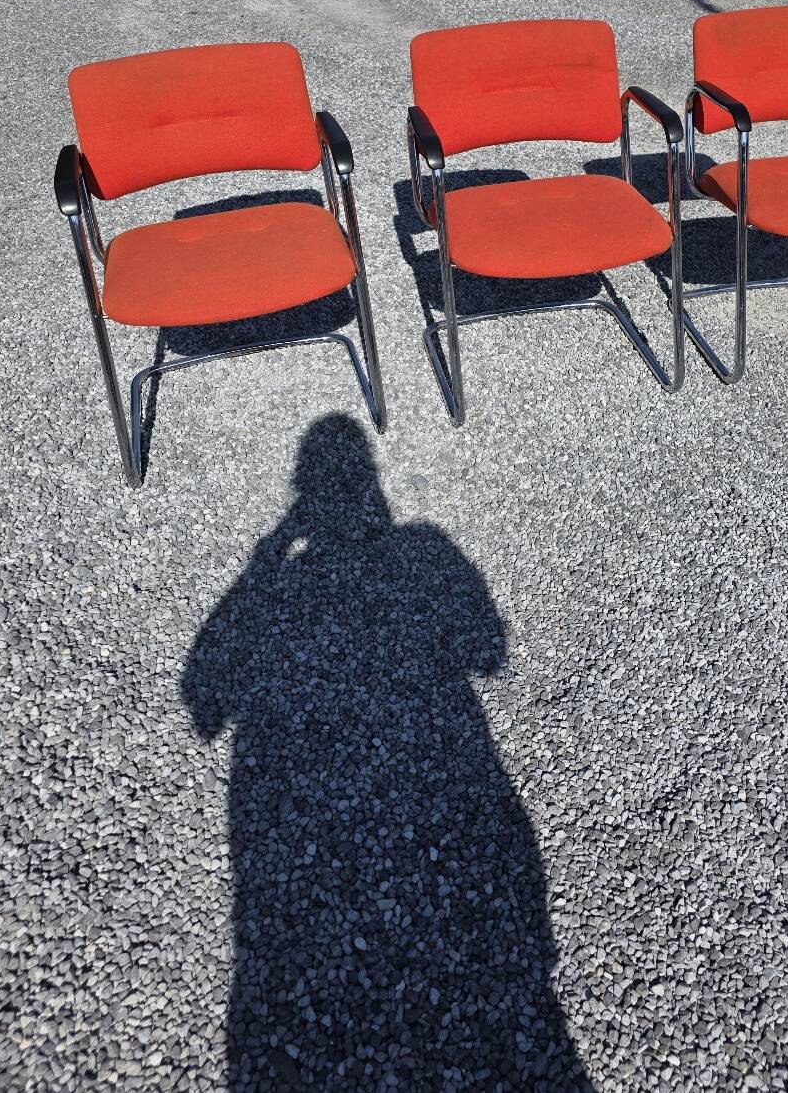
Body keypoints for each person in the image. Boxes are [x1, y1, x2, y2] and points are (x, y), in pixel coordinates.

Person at [182, 414, 589, 1090]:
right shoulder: (421, 547)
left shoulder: (320, 571)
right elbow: (486, 651)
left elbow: (204, 698)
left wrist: (269, 556)